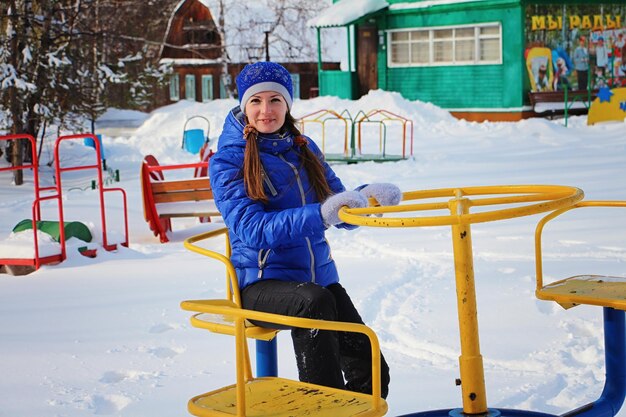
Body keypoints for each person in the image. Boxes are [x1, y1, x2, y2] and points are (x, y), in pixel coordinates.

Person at [208, 61, 395, 398]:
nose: (266, 110)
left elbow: (336, 203)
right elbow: (252, 228)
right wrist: (322, 215)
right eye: (256, 101)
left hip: (316, 281)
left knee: (373, 372)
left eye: (276, 100)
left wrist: (367, 199)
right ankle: (321, 403)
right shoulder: (228, 161)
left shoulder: (303, 148)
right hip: (260, 285)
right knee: (314, 302)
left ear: (288, 104)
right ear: (244, 105)